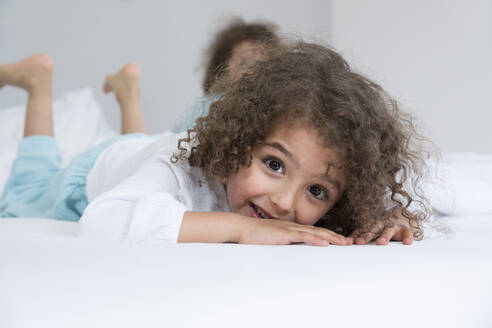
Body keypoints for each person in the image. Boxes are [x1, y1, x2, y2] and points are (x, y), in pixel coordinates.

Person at [0, 40, 430, 246]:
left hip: (139, 150)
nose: (283, 203)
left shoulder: (297, 204)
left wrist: (385, 217)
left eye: (317, 191)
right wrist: (244, 228)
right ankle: (37, 83)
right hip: (93, 173)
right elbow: (102, 221)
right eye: (274, 165)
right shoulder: (178, 169)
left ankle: (128, 94)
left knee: (136, 142)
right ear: (236, 140)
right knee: (24, 192)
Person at [173, 18, 280, 132]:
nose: (252, 70)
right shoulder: (207, 107)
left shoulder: (279, 106)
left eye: (260, 63)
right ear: (224, 68)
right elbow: (177, 142)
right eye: (243, 63)